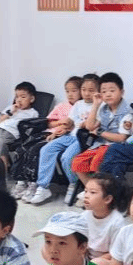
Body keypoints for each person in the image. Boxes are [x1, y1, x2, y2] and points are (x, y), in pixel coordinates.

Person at [29, 74, 100, 205]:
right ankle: (43, 187)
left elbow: (94, 126)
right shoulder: (78, 104)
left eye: (91, 90)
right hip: (70, 136)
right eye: (84, 90)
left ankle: (73, 184)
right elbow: (70, 121)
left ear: (98, 91)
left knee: (67, 157)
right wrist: (60, 128)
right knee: (46, 149)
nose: (86, 93)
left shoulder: (99, 106)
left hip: (82, 139)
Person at [12, 76, 82, 200]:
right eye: (67, 91)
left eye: (73, 91)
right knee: (24, 147)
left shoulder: (80, 107)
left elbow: (73, 126)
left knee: (36, 150)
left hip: (61, 137)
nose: (70, 94)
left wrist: (63, 127)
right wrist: (60, 122)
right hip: (47, 133)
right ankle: (22, 181)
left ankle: (34, 183)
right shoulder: (61, 106)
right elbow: (48, 123)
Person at [69, 71, 133, 192]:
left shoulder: (128, 113)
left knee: (96, 163)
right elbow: (90, 126)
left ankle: (100, 193)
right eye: (104, 92)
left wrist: (99, 132)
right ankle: (92, 191)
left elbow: (121, 138)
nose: (108, 94)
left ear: (122, 92)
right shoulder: (103, 108)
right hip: (100, 145)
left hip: (116, 148)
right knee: (77, 162)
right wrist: (96, 105)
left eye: (112, 91)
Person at [79, 173, 126, 265]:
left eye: (92, 192)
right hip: (89, 257)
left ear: (108, 199)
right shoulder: (84, 216)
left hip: (109, 260)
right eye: (86, 191)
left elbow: (115, 253)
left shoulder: (117, 222)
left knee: (96, 263)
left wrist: (90, 264)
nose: (86, 196)